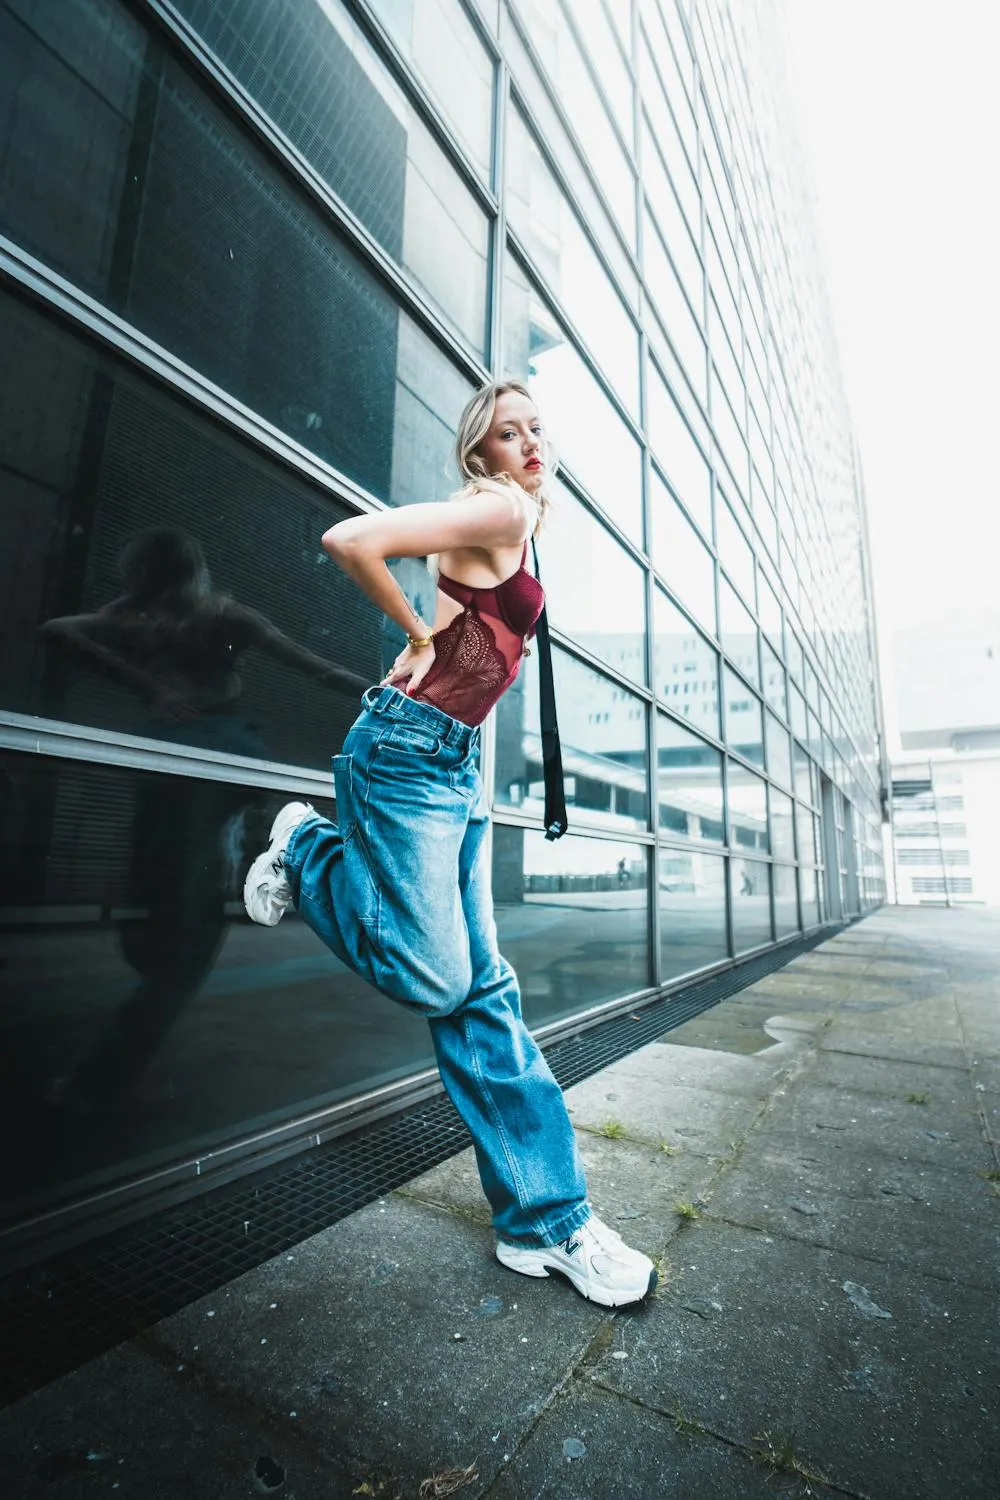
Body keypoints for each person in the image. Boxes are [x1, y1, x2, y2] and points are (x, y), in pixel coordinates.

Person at [243, 381, 657, 1308]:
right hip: (405, 761)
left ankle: (543, 1225)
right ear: (485, 452)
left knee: (481, 995)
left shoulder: (511, 516)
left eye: (537, 428)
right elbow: (351, 539)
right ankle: (306, 848)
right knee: (439, 979)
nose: (529, 443)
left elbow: (478, 638)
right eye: (509, 433)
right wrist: (417, 633)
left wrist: (436, 638)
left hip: (445, 762)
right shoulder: (498, 503)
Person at [41, 526, 368, 1108]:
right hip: (190, 753)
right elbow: (312, 666)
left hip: (206, 756)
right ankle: (215, 884)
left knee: (180, 895)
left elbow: (309, 665)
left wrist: (144, 684)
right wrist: (147, 683)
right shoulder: (175, 617)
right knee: (168, 889)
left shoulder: (192, 618)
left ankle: (225, 875)